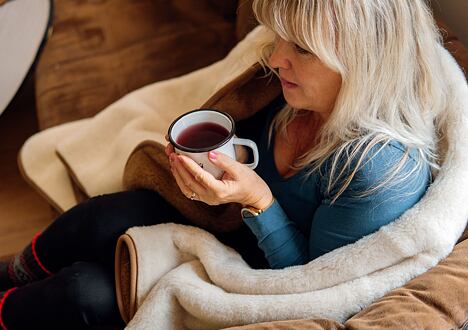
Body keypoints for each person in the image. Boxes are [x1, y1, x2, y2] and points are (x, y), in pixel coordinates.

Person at [0, 0, 449, 328]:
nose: (275, 60)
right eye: (279, 39)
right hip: (223, 223)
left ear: (363, 63)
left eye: (303, 50)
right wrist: (225, 161)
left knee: (84, 294)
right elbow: (242, 118)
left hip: (255, 274)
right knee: (103, 216)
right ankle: (15, 271)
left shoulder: (377, 173)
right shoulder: (296, 93)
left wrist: (256, 198)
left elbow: (309, 284)